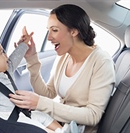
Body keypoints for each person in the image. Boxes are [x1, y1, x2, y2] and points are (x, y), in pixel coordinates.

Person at [9, 4, 116, 133]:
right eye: (48, 30)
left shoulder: (101, 62)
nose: (49, 37)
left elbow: (93, 116)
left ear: (74, 31)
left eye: (54, 30)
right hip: (58, 125)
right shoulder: (64, 57)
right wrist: (32, 59)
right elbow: (48, 94)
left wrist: (40, 103)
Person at [0, 26, 78, 133]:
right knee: (36, 127)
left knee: (43, 117)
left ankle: (63, 130)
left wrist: (24, 44)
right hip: (8, 119)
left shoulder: (6, 71)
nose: (6, 55)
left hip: (19, 112)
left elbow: (16, 57)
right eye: (1, 53)